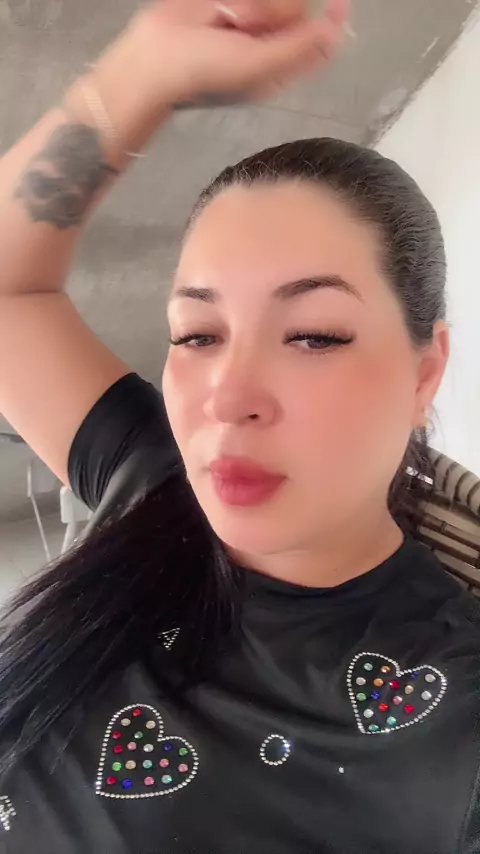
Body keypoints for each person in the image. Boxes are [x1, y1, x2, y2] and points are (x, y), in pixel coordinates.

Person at [0, 0, 478, 851]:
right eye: (197, 334)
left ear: (424, 371)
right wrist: (137, 76)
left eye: (314, 335)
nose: (226, 397)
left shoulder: (459, 707)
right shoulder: (152, 479)